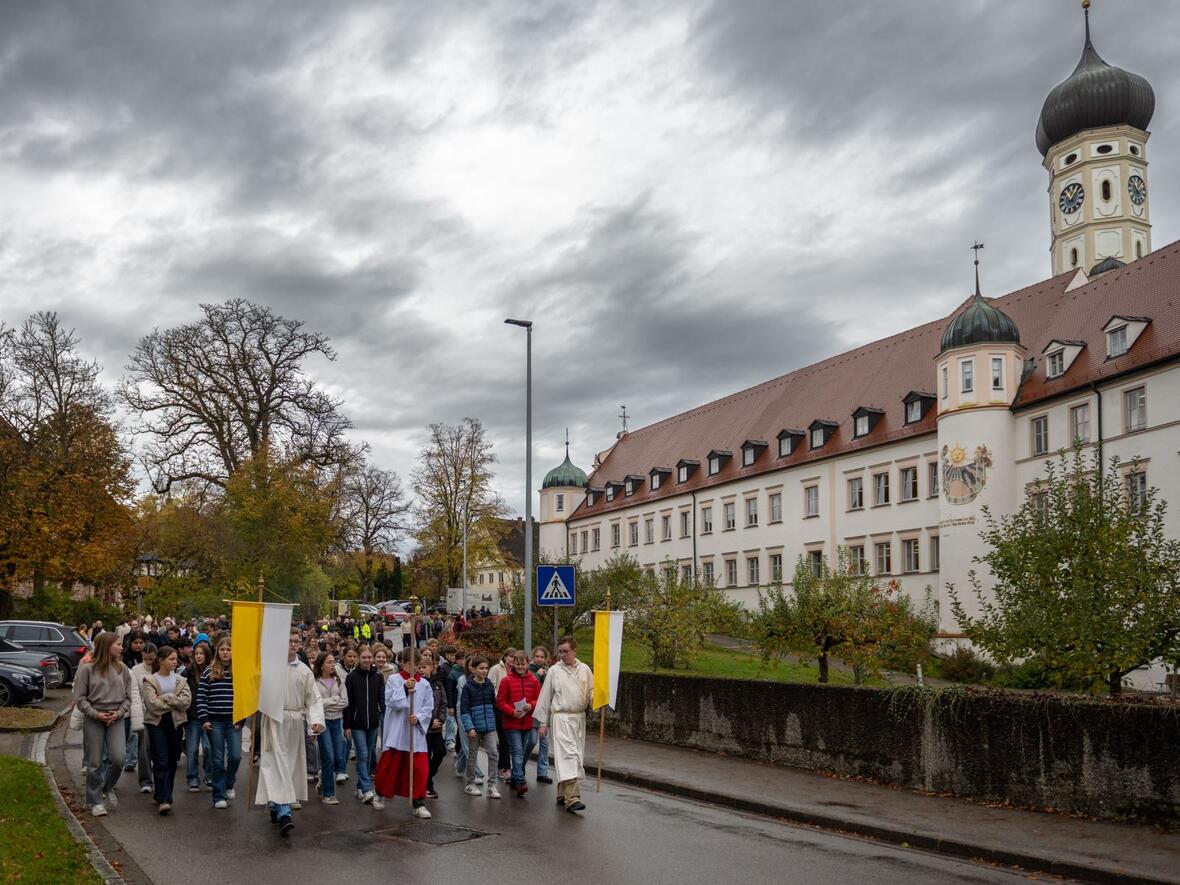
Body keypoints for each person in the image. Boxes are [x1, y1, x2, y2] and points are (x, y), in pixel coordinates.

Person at [256, 630, 325, 835]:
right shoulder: (270, 667)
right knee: (276, 763)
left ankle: (276, 805)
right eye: (289, 641)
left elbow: (313, 699)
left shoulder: (304, 671)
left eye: (296, 642)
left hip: (294, 722)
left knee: (288, 764)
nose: (293, 645)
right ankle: (285, 812)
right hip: (273, 720)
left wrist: (316, 721)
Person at [76, 632, 132, 816]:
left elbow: (128, 698)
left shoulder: (122, 669)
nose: (122, 647)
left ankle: (107, 788)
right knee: (95, 761)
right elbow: (80, 698)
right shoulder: (87, 669)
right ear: (107, 646)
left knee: (118, 758)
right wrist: (96, 714)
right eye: (118, 644)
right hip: (94, 718)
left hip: (116, 717)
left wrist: (119, 713)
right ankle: (94, 800)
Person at [535, 636, 594, 813]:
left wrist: (597, 701)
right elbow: (545, 697)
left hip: (578, 718)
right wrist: (543, 722)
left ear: (574, 651)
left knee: (575, 755)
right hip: (560, 718)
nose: (562, 655)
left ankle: (561, 794)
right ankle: (572, 798)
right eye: (560, 651)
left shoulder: (585, 670)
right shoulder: (554, 670)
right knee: (568, 755)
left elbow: (591, 692)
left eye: (566, 652)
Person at [375, 647, 433, 818]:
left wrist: (420, 717)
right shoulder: (394, 679)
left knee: (420, 769)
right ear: (403, 663)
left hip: (415, 732)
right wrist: (405, 688)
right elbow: (391, 702)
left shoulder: (424, 684)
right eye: (410, 664)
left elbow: (428, 706)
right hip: (398, 730)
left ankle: (419, 803)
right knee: (390, 766)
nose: (414, 669)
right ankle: (380, 793)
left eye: (417, 665)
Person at [141, 645, 190, 815]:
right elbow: (152, 705)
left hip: (176, 723)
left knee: (171, 760)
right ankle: (163, 798)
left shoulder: (180, 680)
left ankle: (165, 793)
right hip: (157, 724)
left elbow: (186, 702)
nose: (175, 662)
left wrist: (167, 697)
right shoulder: (150, 680)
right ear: (161, 661)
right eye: (171, 659)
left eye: (176, 659)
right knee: (160, 760)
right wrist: (174, 702)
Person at [198, 636, 241, 808]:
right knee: (217, 759)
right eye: (222, 649)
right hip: (214, 721)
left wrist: (242, 718)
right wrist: (204, 718)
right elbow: (201, 697)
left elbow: (243, 697)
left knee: (236, 756)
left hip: (234, 721)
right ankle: (218, 795)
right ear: (218, 651)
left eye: (229, 649)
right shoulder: (209, 671)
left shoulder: (238, 671)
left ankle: (229, 783)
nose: (225, 652)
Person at [343, 644, 384, 809]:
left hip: (373, 723)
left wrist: (384, 716)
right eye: (364, 657)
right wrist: (347, 725)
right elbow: (348, 704)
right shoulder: (352, 677)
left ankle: (360, 786)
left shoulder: (378, 676)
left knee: (368, 754)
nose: (367, 660)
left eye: (369, 657)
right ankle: (367, 789)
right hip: (357, 723)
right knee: (363, 754)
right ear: (359, 659)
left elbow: (382, 699)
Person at [497, 650, 541, 797]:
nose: (520, 667)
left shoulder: (533, 680)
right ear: (513, 664)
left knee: (521, 751)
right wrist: (511, 712)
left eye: (523, 664)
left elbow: (539, 699)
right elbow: (500, 702)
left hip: (527, 722)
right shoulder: (506, 680)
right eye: (517, 664)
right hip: (512, 722)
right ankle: (521, 780)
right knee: (516, 751)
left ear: (527, 663)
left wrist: (531, 705)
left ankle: (515, 778)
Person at [460, 655, 500, 799]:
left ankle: (492, 785)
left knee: (493, 753)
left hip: (489, 726)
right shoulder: (468, 687)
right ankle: (470, 784)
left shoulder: (489, 685)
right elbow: (464, 710)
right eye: (481, 668)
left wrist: (494, 722)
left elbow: (493, 706)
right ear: (474, 669)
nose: (484, 671)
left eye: (486, 668)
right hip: (474, 728)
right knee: (472, 755)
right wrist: (469, 727)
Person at [313, 652, 348, 805]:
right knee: (328, 756)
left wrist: (328, 704)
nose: (333, 665)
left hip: (338, 721)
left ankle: (323, 776)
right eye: (329, 662)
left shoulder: (339, 680)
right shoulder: (314, 682)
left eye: (334, 662)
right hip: (323, 722)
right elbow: (315, 703)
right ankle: (329, 794)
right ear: (321, 665)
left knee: (338, 756)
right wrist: (334, 700)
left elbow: (345, 701)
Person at [129, 642, 158, 793]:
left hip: (160, 712)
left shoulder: (160, 668)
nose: (148, 661)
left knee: (159, 748)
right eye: (146, 658)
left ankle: (160, 778)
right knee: (144, 748)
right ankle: (146, 780)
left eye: (151, 659)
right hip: (144, 712)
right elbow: (134, 691)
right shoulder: (136, 670)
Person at [184, 641, 212, 792]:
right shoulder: (187, 672)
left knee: (208, 747)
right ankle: (192, 777)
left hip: (208, 715)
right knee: (193, 748)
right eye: (196, 654)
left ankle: (209, 775)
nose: (199, 656)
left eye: (202, 653)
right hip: (192, 716)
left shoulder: (213, 671)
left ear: (207, 655)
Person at [422, 655, 447, 799]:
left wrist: (441, 720)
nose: (422, 670)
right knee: (425, 756)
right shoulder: (418, 685)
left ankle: (428, 778)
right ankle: (427, 785)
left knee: (440, 752)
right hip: (424, 728)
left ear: (432, 668)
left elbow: (443, 703)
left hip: (436, 727)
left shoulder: (438, 684)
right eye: (419, 667)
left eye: (424, 667)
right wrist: (430, 721)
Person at [488, 648, 514, 781]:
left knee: (507, 739)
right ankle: (505, 767)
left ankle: (502, 767)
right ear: (504, 657)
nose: (512, 659)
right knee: (504, 738)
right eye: (510, 656)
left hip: (511, 708)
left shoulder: (514, 671)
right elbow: (490, 687)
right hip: (498, 708)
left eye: (514, 657)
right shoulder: (496, 669)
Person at [529, 646, 553, 784]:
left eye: (542, 657)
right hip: (533, 712)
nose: (539, 659)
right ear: (533, 657)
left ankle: (542, 772)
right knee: (531, 741)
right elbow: (531, 688)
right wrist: (538, 675)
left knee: (544, 743)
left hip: (545, 712)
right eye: (537, 656)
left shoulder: (549, 671)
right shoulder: (529, 671)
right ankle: (519, 768)